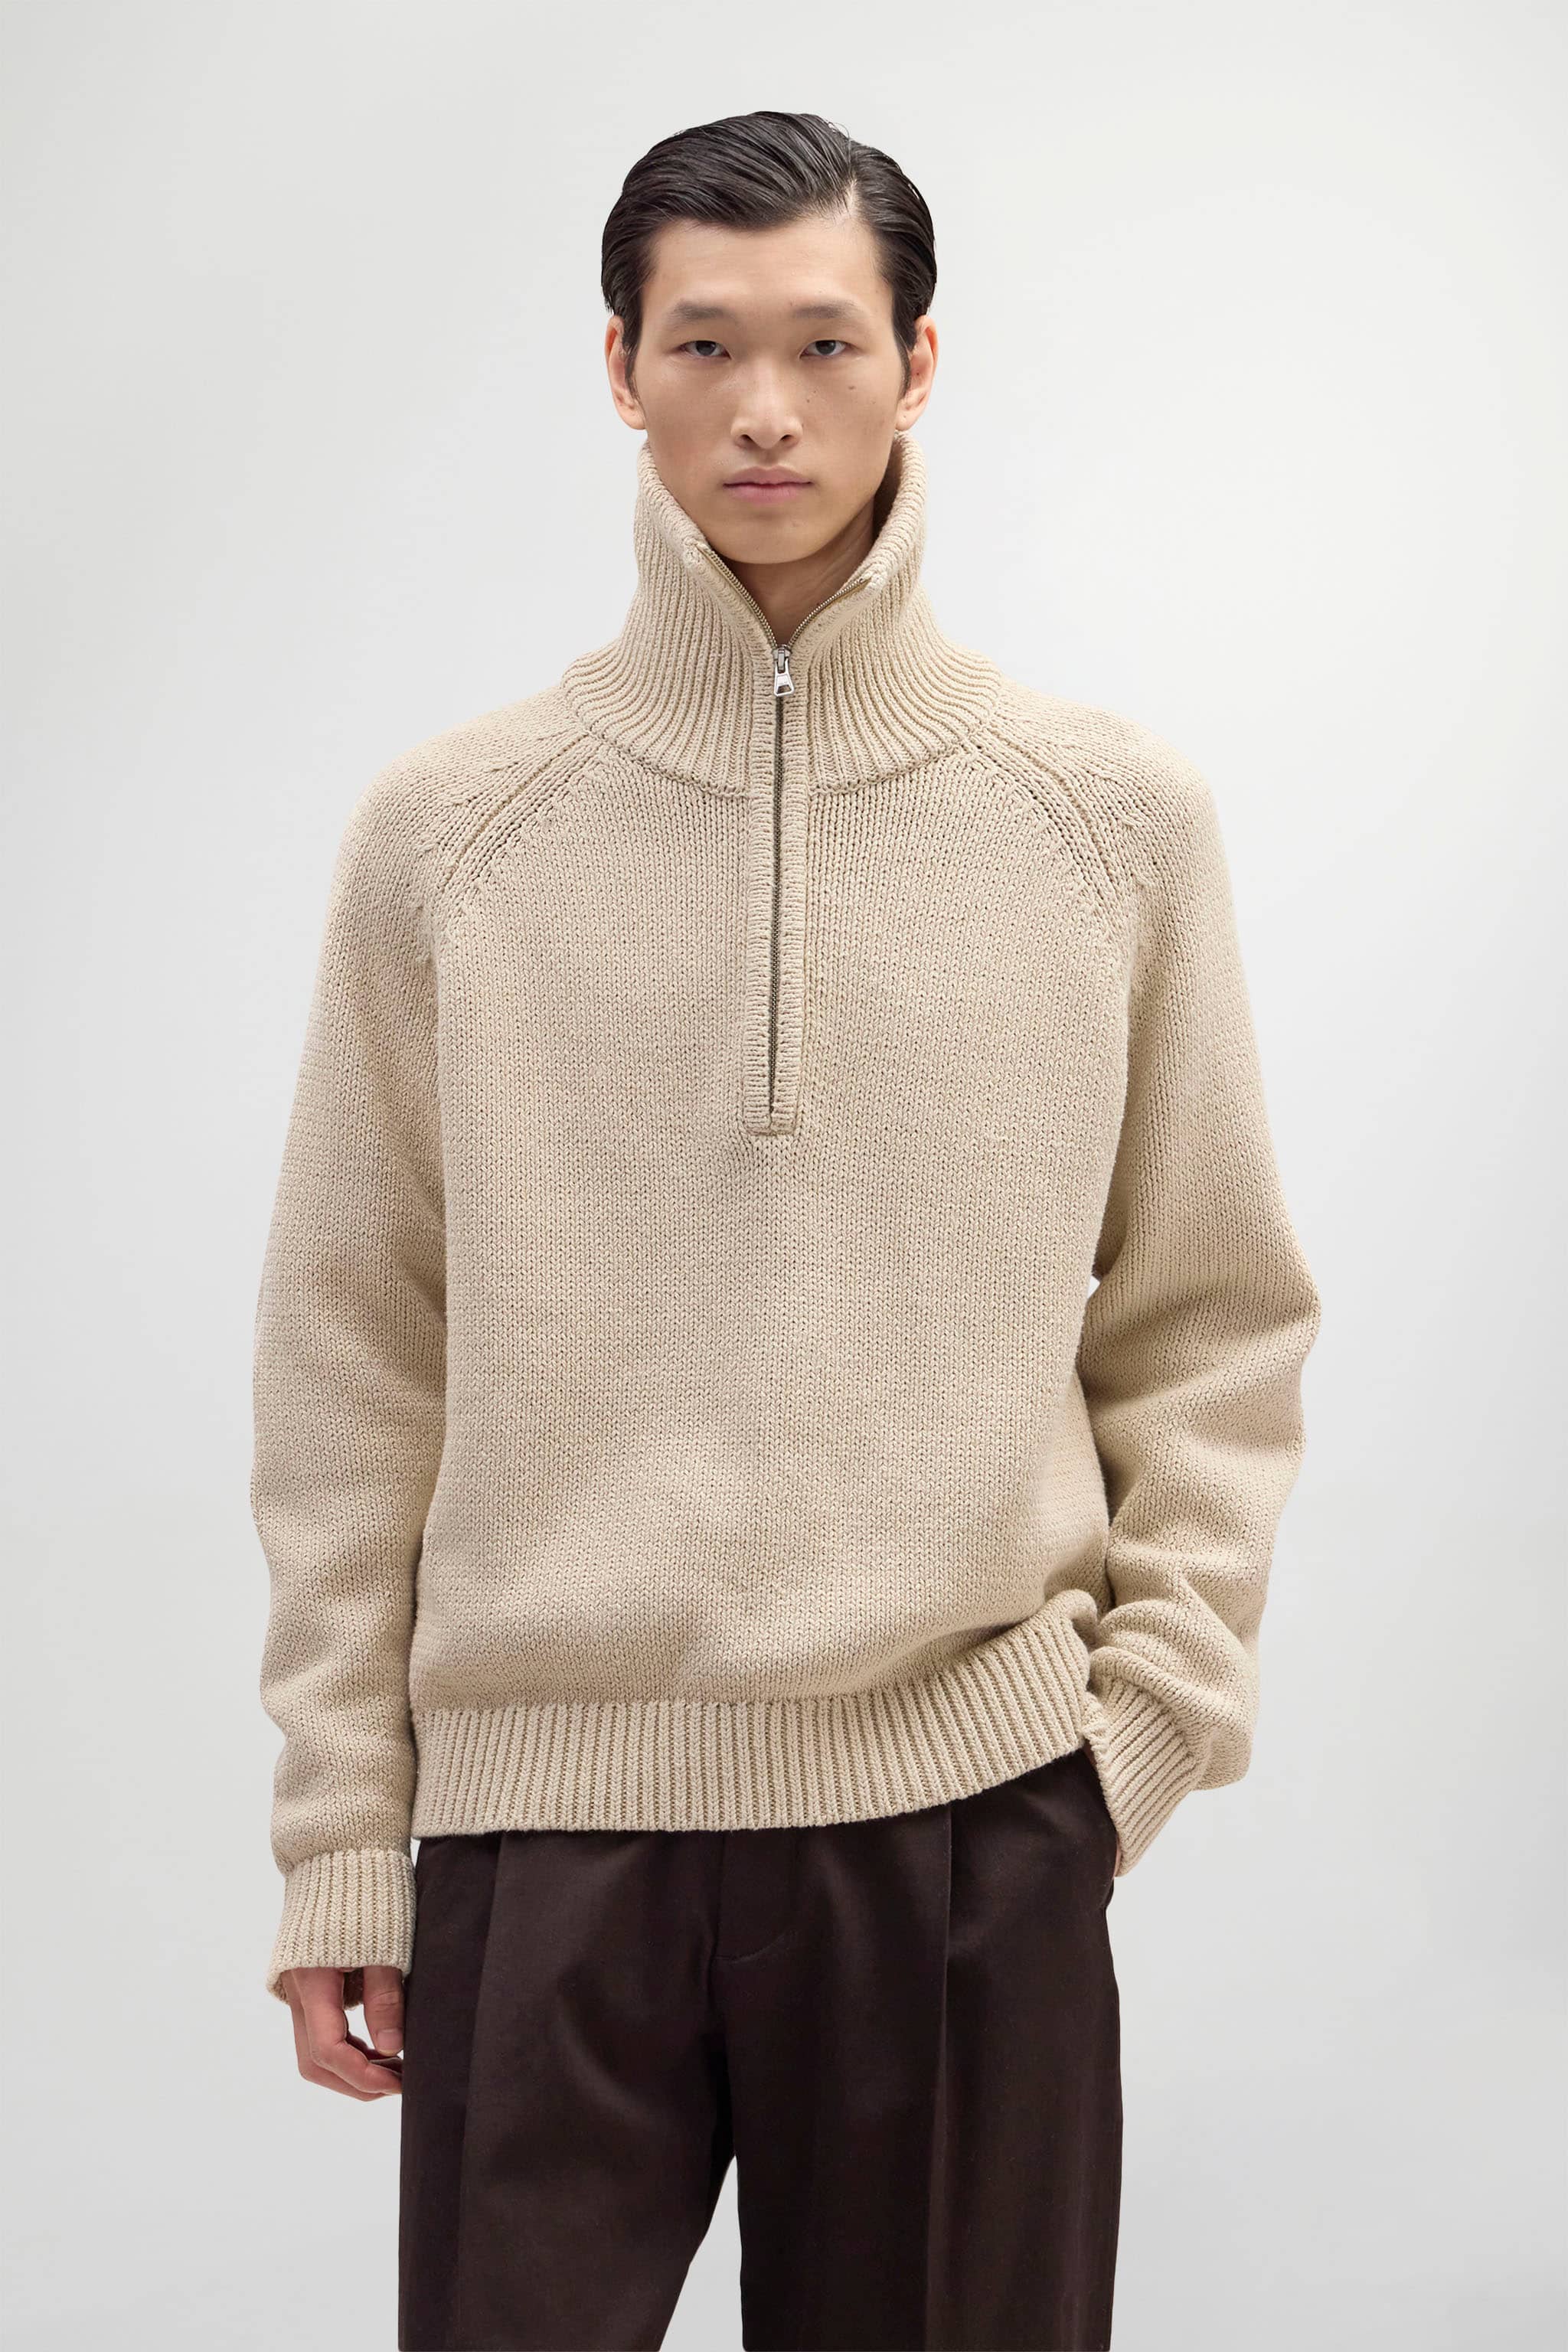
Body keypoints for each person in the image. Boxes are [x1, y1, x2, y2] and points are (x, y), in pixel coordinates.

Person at [251, 108, 1321, 2352]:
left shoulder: (1110, 819)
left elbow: (1214, 1315)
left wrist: (1133, 1737)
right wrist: (347, 1831)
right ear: (618, 368)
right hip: (543, 1836)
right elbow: (354, 1354)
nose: (765, 407)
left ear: (918, 364)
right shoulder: (451, 834)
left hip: (965, 1823)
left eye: (825, 343)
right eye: (706, 343)